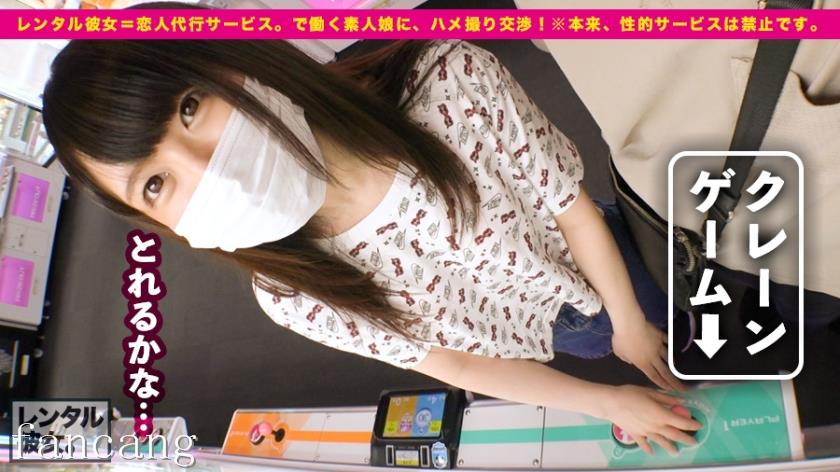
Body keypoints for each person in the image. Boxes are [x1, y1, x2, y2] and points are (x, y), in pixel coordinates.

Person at [41, 36, 700, 455]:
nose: (206, 168)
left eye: (190, 108)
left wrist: (627, 322)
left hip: (611, 263)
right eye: (155, 184)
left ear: (231, 59)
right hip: (558, 330)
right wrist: (609, 399)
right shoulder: (292, 295)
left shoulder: (450, 80)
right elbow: (459, 365)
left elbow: (571, 212)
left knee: (719, 311)